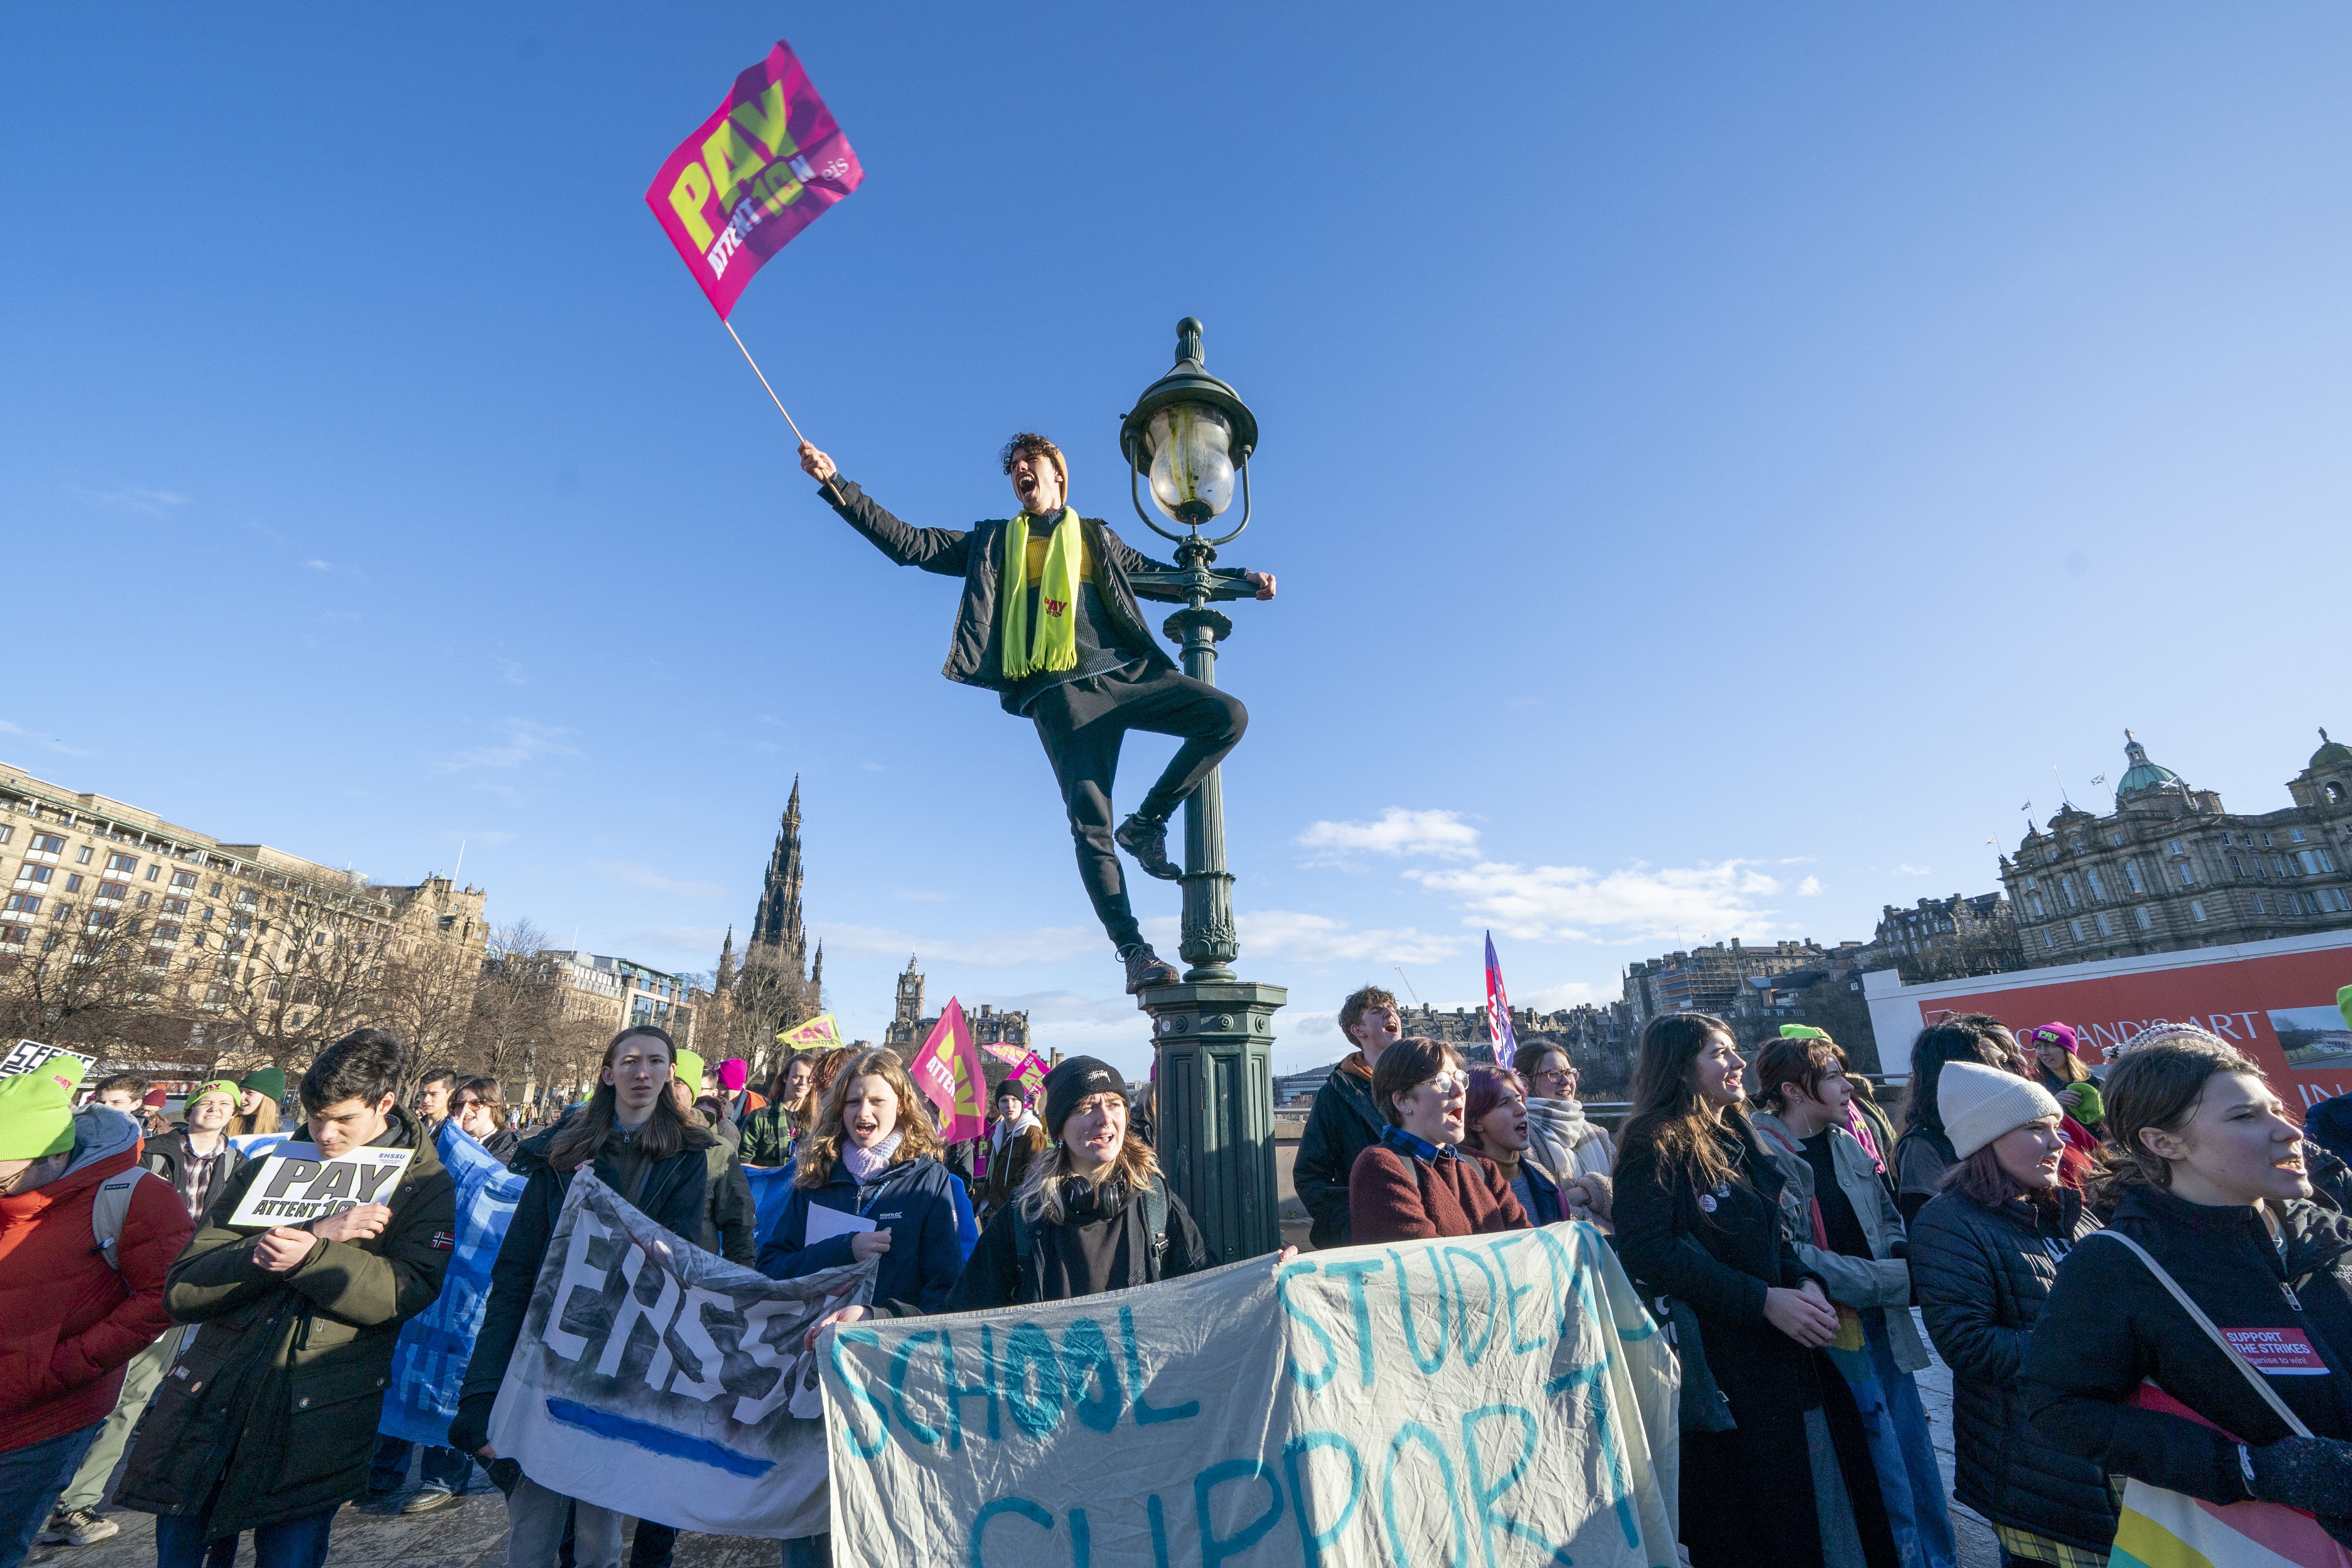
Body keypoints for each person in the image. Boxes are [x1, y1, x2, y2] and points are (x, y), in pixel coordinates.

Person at [795, 431, 1276, 996]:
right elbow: (910, 544)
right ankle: (1134, 951)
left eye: (1032, 463)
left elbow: (1161, 578)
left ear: (1059, 477)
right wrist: (835, 484)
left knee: (1228, 716)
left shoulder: (1096, 536)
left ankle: (1147, 822)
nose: (1022, 471)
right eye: (1015, 468)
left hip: (1128, 673)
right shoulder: (994, 543)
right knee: (1090, 826)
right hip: (1062, 696)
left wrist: (1236, 581)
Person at [114, 1028, 456, 1568]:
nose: (325, 1134)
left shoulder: (425, 1183)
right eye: (317, 1116)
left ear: (386, 1104)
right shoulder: (268, 1165)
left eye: (344, 1120)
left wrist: (313, 1259)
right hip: (212, 1399)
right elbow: (184, 1287)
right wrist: (307, 1235)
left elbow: (406, 1292)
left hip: (314, 1415)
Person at [2025, 1031, 2352, 1551]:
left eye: (2276, 1109)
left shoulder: (2330, 1234)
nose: (2289, 1131)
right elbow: (2058, 1408)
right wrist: (2250, 1469)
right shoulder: (2120, 1265)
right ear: (2164, 1142)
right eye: (2246, 1117)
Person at [1612, 1012, 1884, 1568]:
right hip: (1724, 1375)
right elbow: (1649, 1251)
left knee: (1824, 1506)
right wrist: (1761, 1300)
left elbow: (1775, 1233)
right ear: (1680, 1068)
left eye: (1734, 1051)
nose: (1738, 1064)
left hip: (1786, 1356)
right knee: (1757, 1527)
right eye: (1719, 1053)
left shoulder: (1738, 1133)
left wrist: (1803, 1282)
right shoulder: (1653, 1142)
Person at [452, 1026, 716, 1568]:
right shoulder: (559, 1154)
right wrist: (481, 1395)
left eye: (656, 1062)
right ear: (607, 1073)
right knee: (532, 1532)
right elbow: (517, 1276)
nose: (642, 1073)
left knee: (600, 1537)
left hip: (621, 1367)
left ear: (671, 1073)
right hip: (546, 1356)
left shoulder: (692, 1157)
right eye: (630, 1061)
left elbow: (682, 1268)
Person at [1752, 1034, 1957, 1568]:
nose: (1849, 1086)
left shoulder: (1844, 1138)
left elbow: (1887, 1216)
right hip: (1830, 1330)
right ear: (1795, 1091)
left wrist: (1901, 1259)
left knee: (1915, 1459)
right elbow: (1790, 1256)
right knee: (1879, 1466)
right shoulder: (1762, 1154)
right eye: (1834, 1076)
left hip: (1881, 1323)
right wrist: (1895, 1278)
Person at [1909, 1065, 2115, 1568]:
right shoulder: (1949, 1221)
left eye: (2056, 1126)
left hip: (2101, 1459)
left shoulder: (2066, 1206)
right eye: (2035, 1129)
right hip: (2035, 1470)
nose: (2058, 1142)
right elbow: (1967, 1344)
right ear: (1987, 1141)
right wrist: (2099, 1353)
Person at [0, 1060, 195, 1568]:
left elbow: (163, 1298)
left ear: (55, 1154)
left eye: (4, 1179)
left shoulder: (136, 1195)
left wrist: (62, 1367)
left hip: (43, 1417)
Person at [948, 1057, 1219, 1309]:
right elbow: (965, 1311)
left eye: (1114, 1104)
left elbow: (1210, 1297)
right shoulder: (1023, 1215)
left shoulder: (1156, 1202)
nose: (1105, 1119)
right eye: (1087, 1107)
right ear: (1060, 1128)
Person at [757, 1047, 964, 1320]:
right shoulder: (817, 1175)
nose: (863, 1113)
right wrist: (845, 1249)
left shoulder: (928, 1180)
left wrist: (876, 1317)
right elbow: (771, 1268)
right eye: (853, 1102)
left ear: (900, 1105)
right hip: (809, 1342)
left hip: (884, 1349)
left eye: (877, 1101)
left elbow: (944, 1290)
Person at [1346, 1036, 1528, 1244]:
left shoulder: (1482, 1166)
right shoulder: (1380, 1166)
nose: (1459, 1090)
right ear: (1403, 1100)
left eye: (1459, 1079)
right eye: (1442, 1082)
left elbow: (1528, 1245)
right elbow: (1426, 1266)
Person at [1292, 984, 1404, 1249]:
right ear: (1358, 1030)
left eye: (1393, 1009)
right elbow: (1309, 1174)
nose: (1391, 1014)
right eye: (1378, 1011)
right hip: (1370, 1238)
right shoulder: (1336, 1094)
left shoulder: (1425, 1081)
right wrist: (1350, 1223)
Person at [1895, 1014, 2017, 1223]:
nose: (2002, 1073)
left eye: (2004, 1062)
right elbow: (1936, 1230)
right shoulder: (1923, 1146)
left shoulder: (2010, 1126)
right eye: (1984, 1065)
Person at [1512, 1040, 1616, 1221]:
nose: (1567, 1080)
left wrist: (1587, 1192)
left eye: (1570, 1072)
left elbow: (1631, 1192)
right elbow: (1549, 1211)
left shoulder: (1599, 1135)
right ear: (1525, 1083)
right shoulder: (1523, 1140)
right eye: (1553, 1074)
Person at [1460, 1065, 1576, 1225]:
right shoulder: (1459, 1188)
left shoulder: (1550, 1190)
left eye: (1520, 1099)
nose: (1521, 1110)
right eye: (1504, 1103)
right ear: (1476, 1122)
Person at [666, 1072, 757, 1266]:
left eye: (679, 1082)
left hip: (695, 1275)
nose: (670, 1088)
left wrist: (739, 1280)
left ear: (694, 1093)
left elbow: (739, 1224)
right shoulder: (625, 1137)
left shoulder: (719, 1149)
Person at [977, 1083, 1047, 1224]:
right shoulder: (995, 1136)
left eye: (1015, 1100)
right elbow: (990, 1181)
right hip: (992, 1216)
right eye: (1004, 1101)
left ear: (1022, 1103)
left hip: (1016, 1219)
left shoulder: (1033, 1136)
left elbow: (1034, 1186)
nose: (1010, 1105)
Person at [2023, 1023, 2106, 1133]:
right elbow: (2022, 1122)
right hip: (2060, 1146)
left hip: (2099, 1145)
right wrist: (2052, 1103)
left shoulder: (2094, 1082)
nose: (2044, 1053)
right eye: (2038, 1047)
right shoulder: (2032, 1084)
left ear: (2068, 1050)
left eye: (2050, 1046)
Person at [741, 1053, 814, 1168]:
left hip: (803, 1186)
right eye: (797, 1077)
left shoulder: (818, 1121)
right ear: (785, 1078)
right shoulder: (759, 1118)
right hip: (767, 1185)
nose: (803, 1083)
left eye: (809, 1079)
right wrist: (778, 1172)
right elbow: (742, 1165)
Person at [452, 1075, 521, 1166]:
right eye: (460, 1104)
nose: (466, 1110)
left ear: (494, 1104)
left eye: (476, 1103)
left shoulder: (509, 1145)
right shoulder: (449, 1135)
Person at [229, 1068, 284, 1138]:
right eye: (241, 1092)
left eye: (249, 1093)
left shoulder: (286, 1130)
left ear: (267, 1098)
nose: (241, 1097)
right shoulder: (226, 1123)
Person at [413, 1068, 458, 1132]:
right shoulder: (414, 1127)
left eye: (434, 1094)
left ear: (451, 1094)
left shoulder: (453, 1130)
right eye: (423, 1094)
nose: (426, 1100)